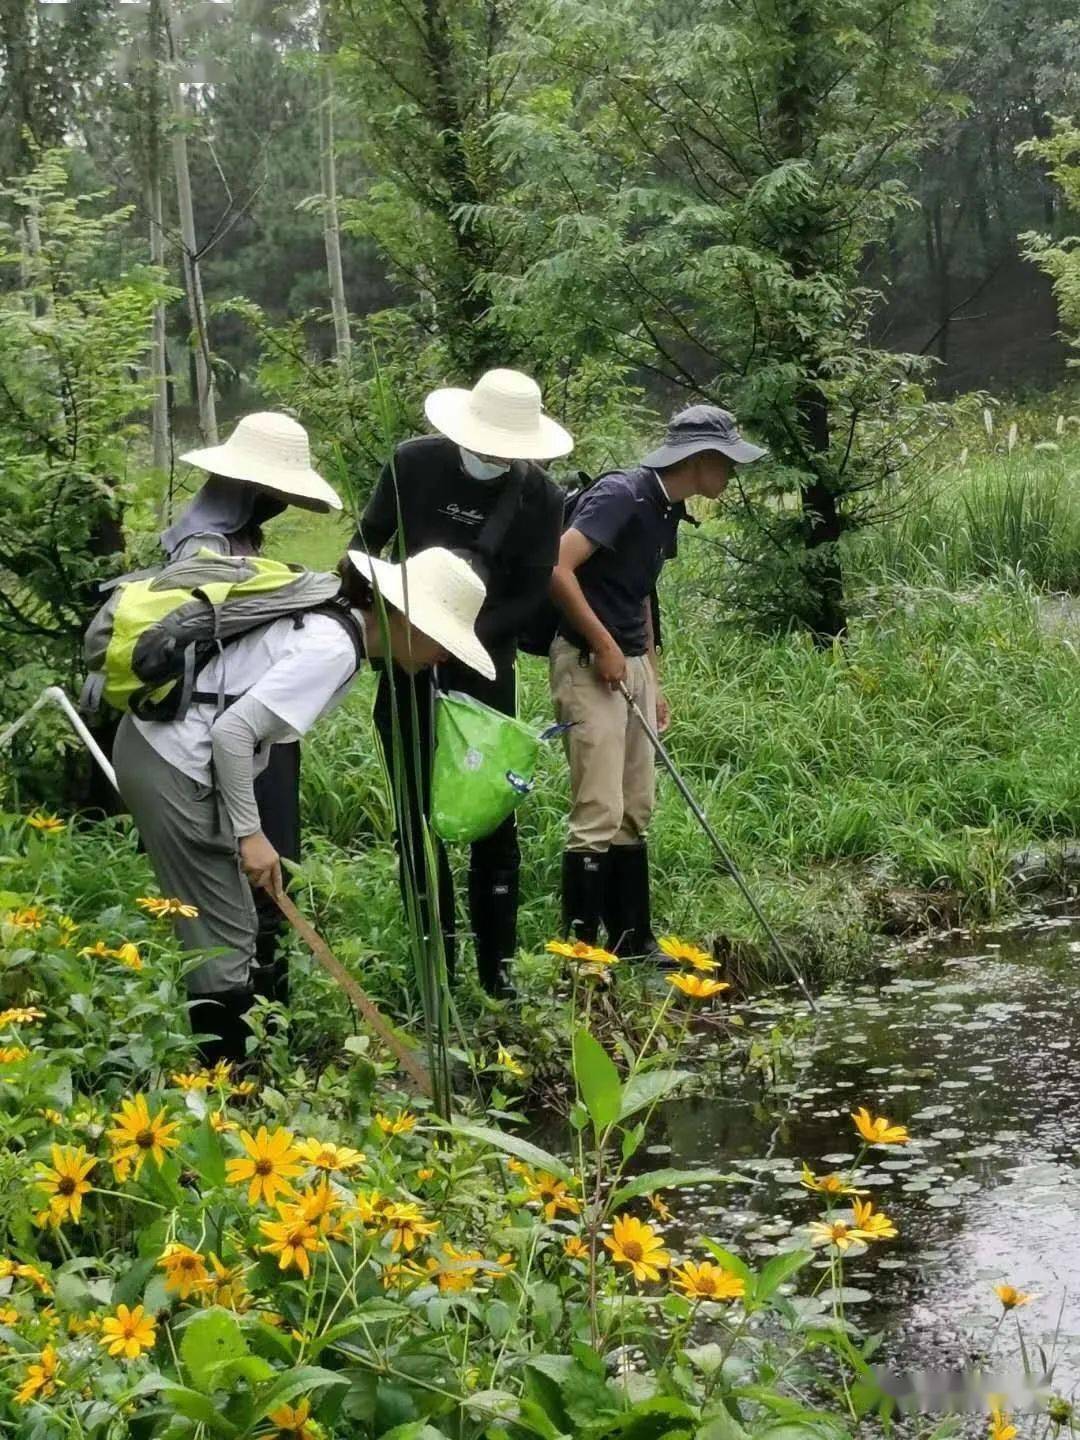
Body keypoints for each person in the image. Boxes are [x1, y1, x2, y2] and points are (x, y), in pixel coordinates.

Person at [113, 546, 494, 1064]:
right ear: (406, 619)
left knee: (233, 930)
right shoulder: (334, 649)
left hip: (167, 754)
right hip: (172, 764)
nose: (443, 656)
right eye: (442, 640)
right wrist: (250, 833)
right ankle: (226, 1091)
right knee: (224, 947)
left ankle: (234, 1083)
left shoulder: (338, 627)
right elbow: (231, 733)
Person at [358, 369, 572, 999]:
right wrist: (390, 632)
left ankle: (497, 971)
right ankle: (436, 969)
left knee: (490, 812)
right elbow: (365, 544)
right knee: (415, 814)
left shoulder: (541, 498)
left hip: (485, 667)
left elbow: (533, 593)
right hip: (406, 660)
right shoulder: (413, 465)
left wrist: (464, 643)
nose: (495, 455)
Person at [549, 404, 767, 957]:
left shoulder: (668, 508)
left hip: (631, 662)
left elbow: (643, 592)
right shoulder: (623, 495)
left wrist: (652, 675)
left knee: (635, 805)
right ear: (700, 459)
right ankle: (580, 954)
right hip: (586, 660)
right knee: (598, 807)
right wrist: (602, 646)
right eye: (728, 462)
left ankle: (632, 940)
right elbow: (558, 568)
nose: (733, 474)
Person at [162, 412, 343, 1008]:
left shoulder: (240, 539)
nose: (278, 504)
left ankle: (272, 1007)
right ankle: (250, 1013)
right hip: (221, 726)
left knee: (275, 864)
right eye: (272, 493)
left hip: (256, 719)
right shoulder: (201, 545)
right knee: (250, 864)